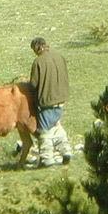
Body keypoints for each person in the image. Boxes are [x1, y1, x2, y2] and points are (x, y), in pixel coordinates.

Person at [29, 37, 72, 167]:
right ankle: (66, 151)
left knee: (44, 131)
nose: (35, 53)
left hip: (46, 102)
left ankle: (46, 159)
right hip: (61, 100)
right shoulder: (59, 56)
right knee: (56, 126)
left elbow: (33, 85)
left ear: (38, 47)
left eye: (34, 50)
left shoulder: (38, 62)